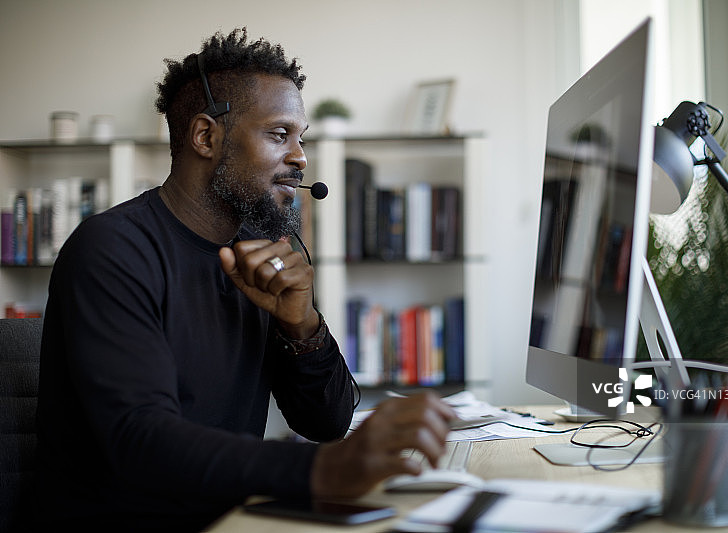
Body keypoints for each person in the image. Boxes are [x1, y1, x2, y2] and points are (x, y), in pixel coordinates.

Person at [34, 28, 456, 532]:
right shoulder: (112, 250)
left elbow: (327, 422)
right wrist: (323, 470)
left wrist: (302, 326)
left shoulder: (260, 251)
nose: (300, 158)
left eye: (302, 139)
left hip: (232, 517)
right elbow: (139, 441)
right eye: (279, 134)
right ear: (206, 137)